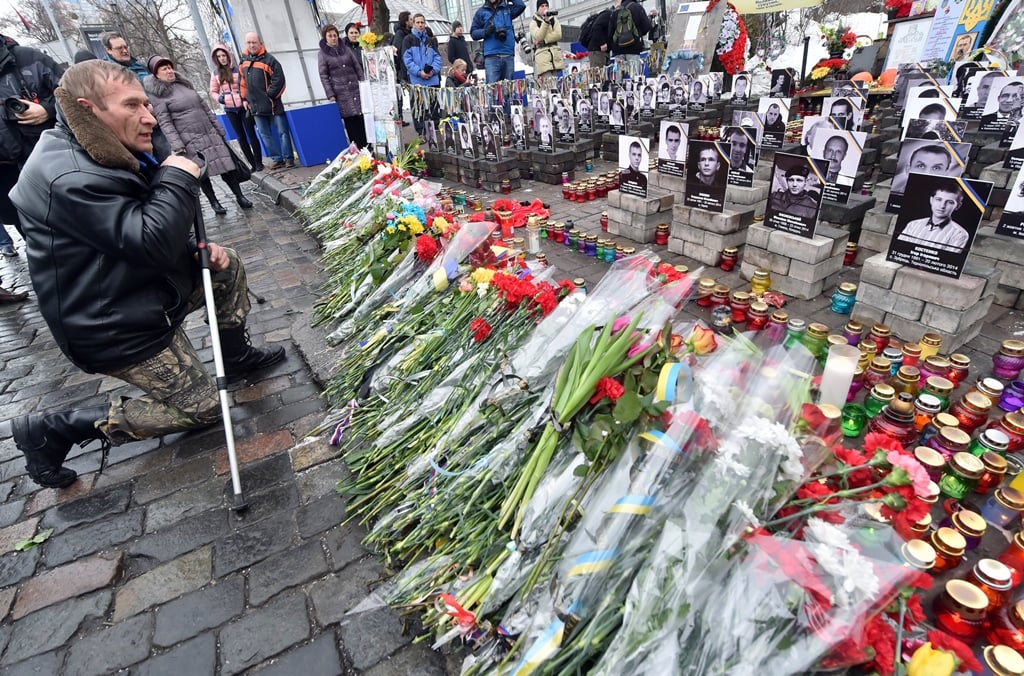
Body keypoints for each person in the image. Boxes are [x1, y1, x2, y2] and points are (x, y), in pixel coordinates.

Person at [9, 60, 286, 489]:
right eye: (133, 105)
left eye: (146, 104)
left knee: (225, 264)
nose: (149, 116)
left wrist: (195, 251)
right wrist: (175, 175)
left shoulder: (100, 147)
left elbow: (134, 234)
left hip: (146, 293)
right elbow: (147, 240)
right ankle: (56, 429)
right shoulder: (68, 176)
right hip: (115, 326)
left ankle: (234, 355)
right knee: (204, 409)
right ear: (89, 109)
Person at [144, 56, 252, 215]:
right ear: (156, 74)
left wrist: (218, 128)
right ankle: (214, 202)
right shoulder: (158, 95)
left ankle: (240, 196)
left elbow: (205, 108)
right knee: (202, 173)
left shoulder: (186, 85)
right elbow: (165, 122)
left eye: (169, 67)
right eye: (164, 69)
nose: (169, 71)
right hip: (189, 139)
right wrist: (177, 144)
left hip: (209, 133)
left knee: (227, 167)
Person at [0, 33, 62, 277]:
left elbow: (78, 97)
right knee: (42, 250)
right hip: (8, 183)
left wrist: (47, 110)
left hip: (50, 168)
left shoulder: (29, 59)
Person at [101, 32, 172, 161]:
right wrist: (144, 107)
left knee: (168, 160)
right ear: (108, 50)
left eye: (125, 47)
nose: (124, 51)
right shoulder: (108, 73)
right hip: (135, 128)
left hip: (157, 123)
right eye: (119, 48)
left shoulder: (140, 67)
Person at [240, 32, 295, 169]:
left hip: (273, 105)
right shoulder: (244, 62)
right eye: (249, 42)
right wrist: (245, 98)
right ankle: (277, 159)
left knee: (282, 133)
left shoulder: (270, 60)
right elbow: (242, 82)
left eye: (254, 42)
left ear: (260, 43)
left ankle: (288, 158)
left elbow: (279, 80)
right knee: (265, 135)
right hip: (256, 106)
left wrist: (270, 95)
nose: (252, 45)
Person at [209, 44, 263, 171]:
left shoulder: (238, 69)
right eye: (219, 56)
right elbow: (213, 91)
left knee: (251, 134)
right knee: (241, 136)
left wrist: (246, 98)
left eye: (223, 55)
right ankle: (252, 164)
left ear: (228, 56)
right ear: (216, 59)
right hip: (229, 109)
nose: (222, 58)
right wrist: (220, 98)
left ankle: (258, 162)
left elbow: (246, 84)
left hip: (243, 106)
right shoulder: (215, 73)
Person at [318, 23, 368, 150]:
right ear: (325, 37)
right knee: (350, 121)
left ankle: (367, 146)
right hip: (340, 92)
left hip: (355, 89)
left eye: (335, 35)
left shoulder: (346, 49)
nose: (333, 38)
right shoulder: (323, 54)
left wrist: (363, 84)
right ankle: (356, 148)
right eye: (330, 36)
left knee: (361, 118)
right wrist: (330, 94)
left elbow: (357, 67)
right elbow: (323, 75)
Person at [897, 182, 971, 252]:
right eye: (938, 199)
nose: (942, 206)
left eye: (950, 202)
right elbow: (899, 249)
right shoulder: (913, 224)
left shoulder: (959, 234)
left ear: (958, 206)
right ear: (931, 200)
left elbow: (946, 260)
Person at [472, 0, 527, 85]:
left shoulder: (507, 9)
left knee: (508, 90)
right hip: (491, 56)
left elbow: (521, 5)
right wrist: (485, 32)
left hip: (507, 54)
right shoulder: (481, 12)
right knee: (492, 91)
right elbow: (473, 33)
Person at [403, 15, 442, 136]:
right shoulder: (408, 40)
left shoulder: (429, 40)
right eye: (418, 22)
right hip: (417, 80)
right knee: (418, 109)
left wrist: (433, 71)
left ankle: (435, 131)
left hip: (432, 80)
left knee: (434, 107)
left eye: (422, 22)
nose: (420, 24)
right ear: (413, 24)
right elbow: (407, 60)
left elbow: (438, 58)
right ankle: (421, 133)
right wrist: (419, 72)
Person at [608, 0, 652, 67]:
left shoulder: (616, 11)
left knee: (619, 74)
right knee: (633, 74)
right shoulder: (637, 8)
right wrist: (638, 34)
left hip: (618, 49)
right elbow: (647, 26)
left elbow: (610, 32)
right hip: (633, 47)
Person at [531, 0, 564, 79]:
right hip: (543, 60)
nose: (545, 8)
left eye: (546, 6)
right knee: (548, 86)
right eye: (542, 6)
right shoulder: (533, 23)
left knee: (559, 86)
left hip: (555, 58)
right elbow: (538, 36)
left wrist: (545, 40)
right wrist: (545, 22)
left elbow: (558, 35)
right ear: (537, 9)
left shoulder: (554, 20)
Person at [393, 12, 413, 126]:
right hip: (403, 70)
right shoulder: (400, 34)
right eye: (410, 19)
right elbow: (399, 53)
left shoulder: (409, 33)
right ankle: (399, 119)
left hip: (409, 69)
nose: (412, 21)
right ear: (406, 21)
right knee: (401, 96)